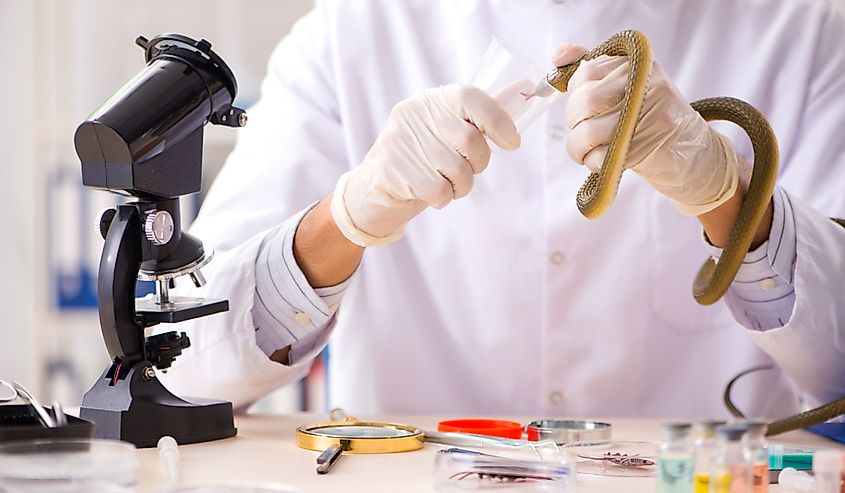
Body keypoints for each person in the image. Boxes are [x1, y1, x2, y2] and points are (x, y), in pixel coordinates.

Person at [159, 0, 845, 418]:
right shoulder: (351, 30)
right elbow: (184, 361)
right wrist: (347, 215)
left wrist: (730, 196)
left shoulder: (805, 36)